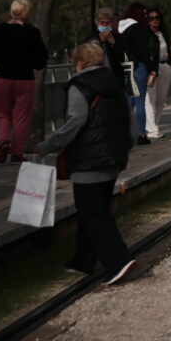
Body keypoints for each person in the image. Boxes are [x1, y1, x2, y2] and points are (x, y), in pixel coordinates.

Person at [35, 42, 136, 285]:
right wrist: (127, 144)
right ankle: (83, 260)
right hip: (113, 158)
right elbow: (129, 119)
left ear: (79, 64)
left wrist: (48, 145)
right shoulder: (115, 83)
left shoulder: (79, 86)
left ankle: (119, 261)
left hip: (88, 160)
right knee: (91, 210)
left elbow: (75, 122)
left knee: (94, 215)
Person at [0, 0, 48, 164]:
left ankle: (3, 140)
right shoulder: (33, 33)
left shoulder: (0, 31)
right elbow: (41, 59)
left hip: (3, 78)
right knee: (21, 117)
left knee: (2, 114)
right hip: (24, 79)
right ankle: (17, 152)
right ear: (27, 13)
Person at [119, 2, 157, 145]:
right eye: (144, 13)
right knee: (140, 101)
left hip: (125, 68)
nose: (146, 16)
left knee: (129, 102)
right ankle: (141, 134)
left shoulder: (120, 27)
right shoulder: (138, 29)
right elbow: (144, 52)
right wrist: (151, 68)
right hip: (139, 66)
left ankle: (126, 133)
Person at [144, 8, 171, 139]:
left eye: (157, 17)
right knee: (150, 98)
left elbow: (168, 50)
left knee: (161, 99)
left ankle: (155, 125)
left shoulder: (163, 33)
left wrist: (170, 64)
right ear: (148, 21)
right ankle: (151, 128)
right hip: (152, 69)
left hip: (165, 66)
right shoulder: (146, 35)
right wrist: (150, 68)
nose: (154, 20)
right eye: (151, 18)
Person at [86, 7, 126, 85]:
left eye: (108, 23)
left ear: (112, 23)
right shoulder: (92, 39)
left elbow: (122, 57)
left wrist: (113, 43)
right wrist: (101, 41)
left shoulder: (117, 37)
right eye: (102, 22)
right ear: (97, 23)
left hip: (115, 78)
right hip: (98, 78)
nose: (105, 25)